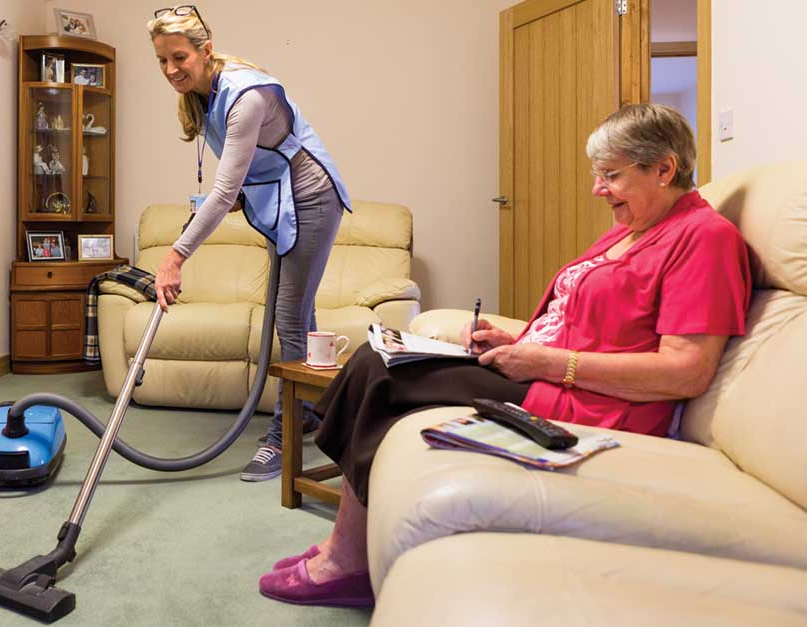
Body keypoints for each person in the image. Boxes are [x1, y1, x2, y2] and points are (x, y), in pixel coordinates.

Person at [258, 103, 752, 607]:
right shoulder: (633, 229)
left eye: (611, 175)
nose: (597, 189)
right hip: (548, 372)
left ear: (664, 169)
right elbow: (581, 323)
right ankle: (348, 548)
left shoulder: (704, 238)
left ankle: (346, 562)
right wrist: (515, 342)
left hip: (591, 402)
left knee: (381, 373)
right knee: (378, 353)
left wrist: (546, 362)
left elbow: (685, 371)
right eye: (597, 175)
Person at [148, 6, 352, 482]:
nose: (171, 69)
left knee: (288, 316)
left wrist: (175, 257)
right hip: (279, 199)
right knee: (298, 312)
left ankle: (283, 436)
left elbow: (222, 192)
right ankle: (306, 412)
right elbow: (242, 175)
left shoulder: (246, 96)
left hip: (312, 198)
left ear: (205, 49)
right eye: (161, 60)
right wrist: (240, 196)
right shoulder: (202, 96)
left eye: (179, 57)